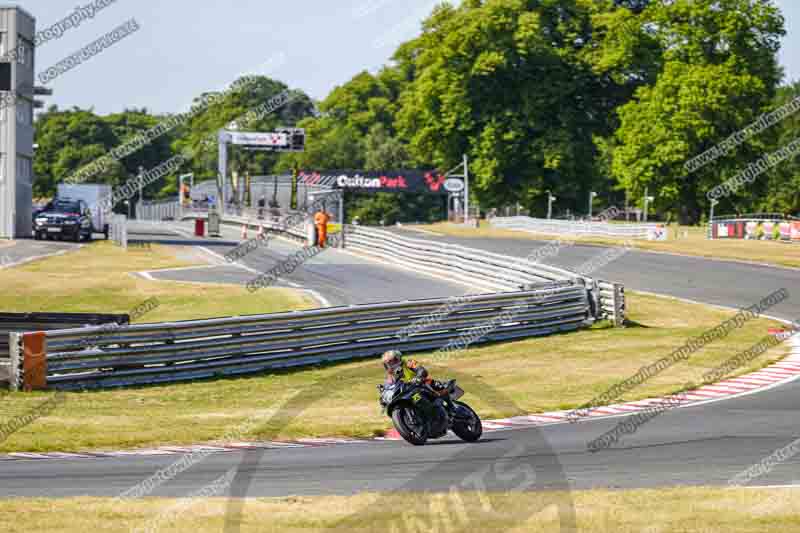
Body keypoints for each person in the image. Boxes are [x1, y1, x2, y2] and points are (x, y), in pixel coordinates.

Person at [381, 350, 447, 392]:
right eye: (387, 363)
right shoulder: (393, 372)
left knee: (435, 384)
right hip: (406, 391)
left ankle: (451, 407)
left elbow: (422, 370)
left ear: (397, 359)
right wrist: (384, 388)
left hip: (420, 384)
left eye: (391, 362)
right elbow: (391, 383)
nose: (390, 365)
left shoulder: (408, 363)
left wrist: (418, 377)